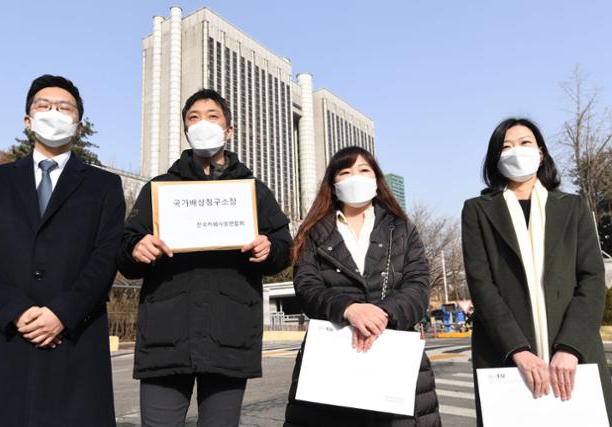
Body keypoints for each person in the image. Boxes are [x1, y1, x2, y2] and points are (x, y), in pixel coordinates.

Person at [117, 88, 292, 427]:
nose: (202, 123)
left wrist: (270, 249)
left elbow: (284, 247)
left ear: (229, 130)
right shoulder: (159, 189)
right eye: (193, 118)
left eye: (212, 116)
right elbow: (124, 251)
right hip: (165, 340)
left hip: (229, 335)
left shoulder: (253, 190)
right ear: (185, 131)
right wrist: (136, 249)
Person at [0, 74, 124, 426]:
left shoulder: (103, 186)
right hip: (2, 339)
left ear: (78, 124)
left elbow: (105, 258)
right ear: (27, 121)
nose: (54, 112)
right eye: (44, 106)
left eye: (64, 107)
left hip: (74, 342)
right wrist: (15, 310)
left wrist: (62, 314)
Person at [462, 117, 612, 425]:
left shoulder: (573, 207)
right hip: (506, 358)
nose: (516, 150)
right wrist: (518, 350)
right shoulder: (477, 211)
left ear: (540, 152)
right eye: (506, 146)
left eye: (525, 143)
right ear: (495, 158)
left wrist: (570, 347)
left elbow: (592, 279)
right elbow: (482, 285)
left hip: (574, 359)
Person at [284, 146, 441, 427]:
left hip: (392, 351)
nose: (355, 177)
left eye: (363, 170)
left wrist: (381, 315)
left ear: (377, 180)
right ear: (332, 186)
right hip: (332, 358)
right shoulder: (313, 232)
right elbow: (306, 286)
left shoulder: (402, 228)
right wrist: (349, 309)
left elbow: (418, 285)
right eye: (345, 172)